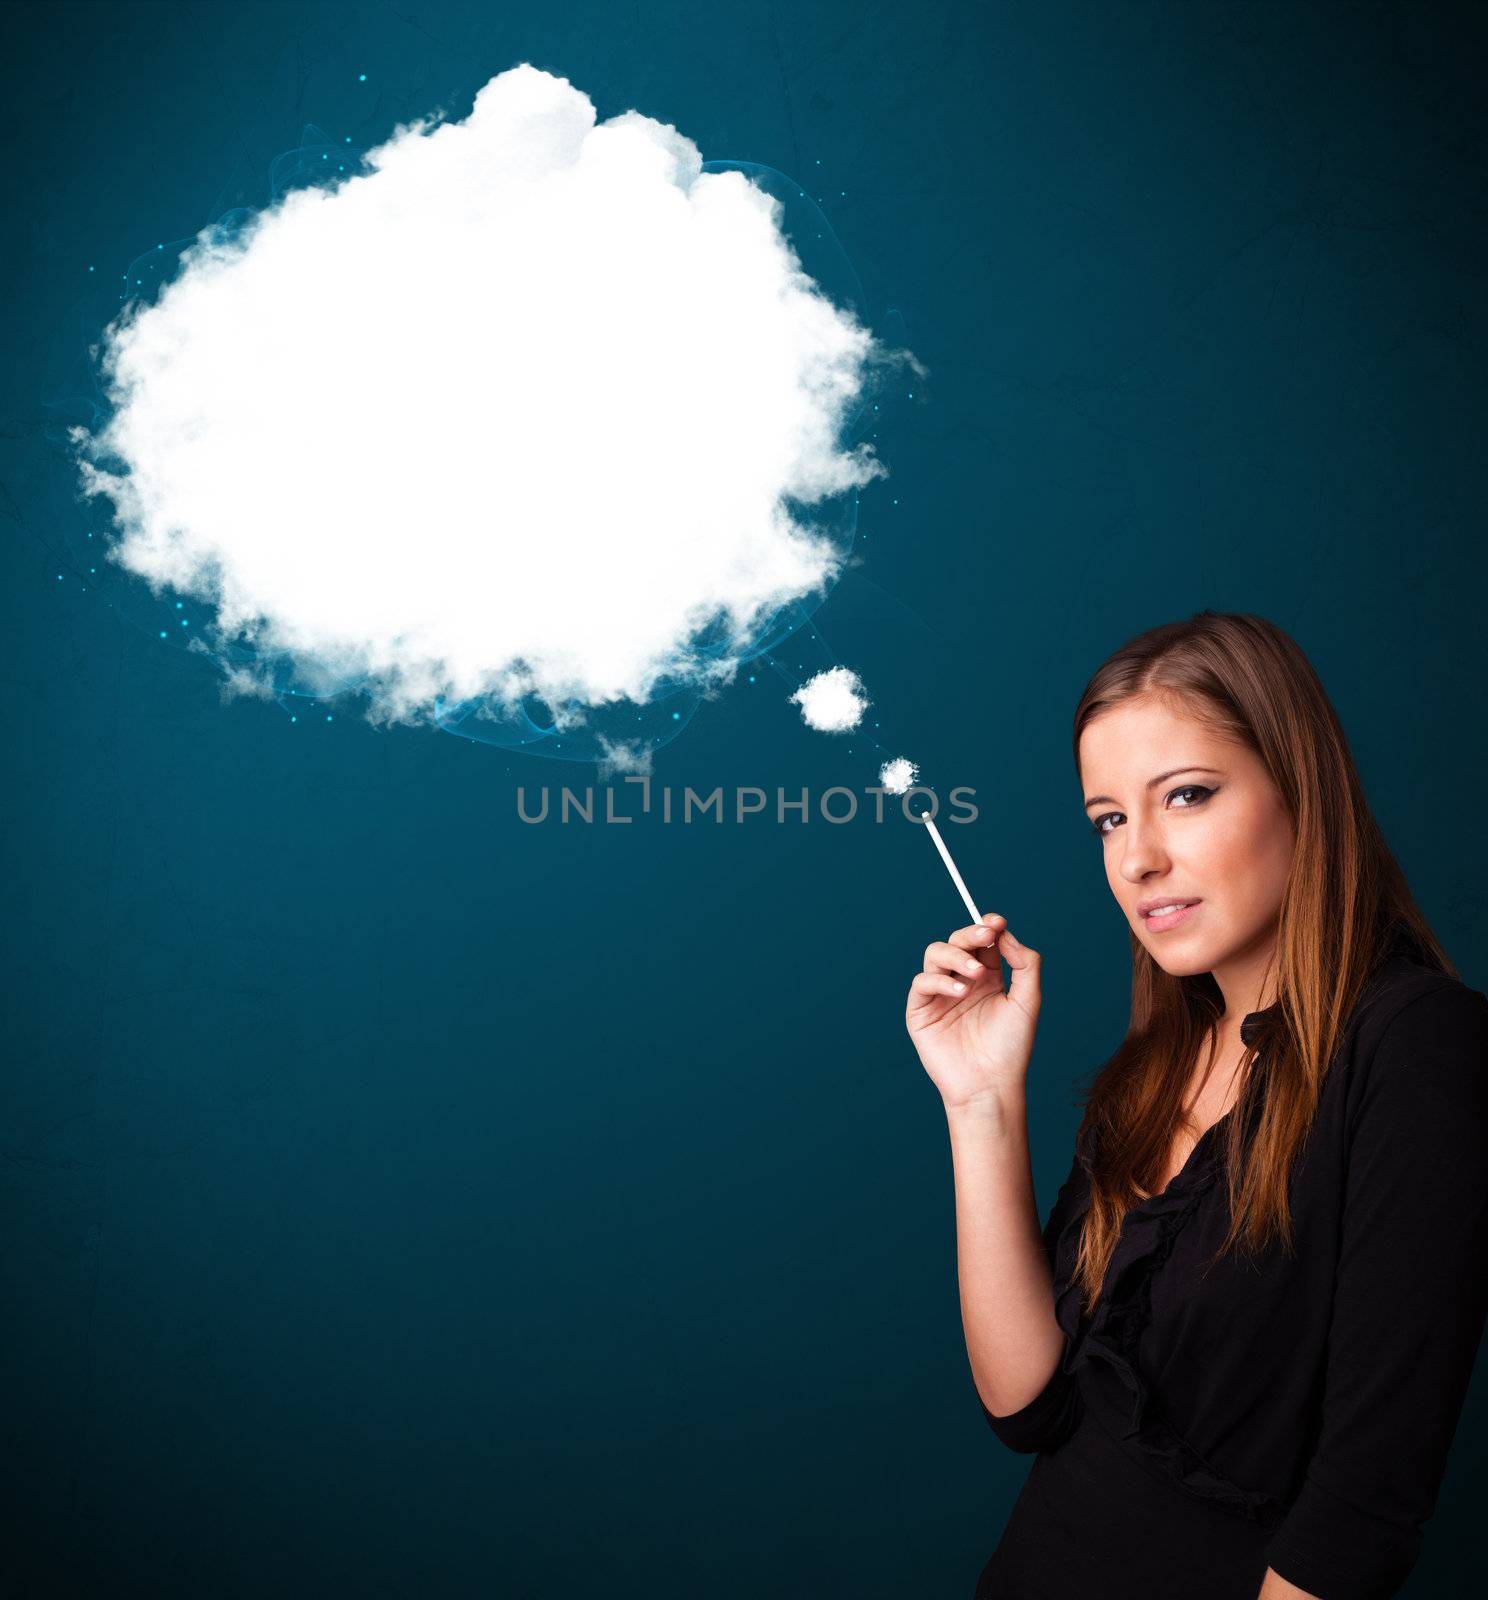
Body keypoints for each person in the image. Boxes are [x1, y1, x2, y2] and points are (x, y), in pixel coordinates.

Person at [905, 611, 1488, 1600]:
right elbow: (1028, 1408)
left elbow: (1366, 1504)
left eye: (1186, 794)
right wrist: (981, 1101)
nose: (1137, 859)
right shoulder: (1156, 1061)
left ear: (1300, 789)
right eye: (1109, 818)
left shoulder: (1418, 1043)